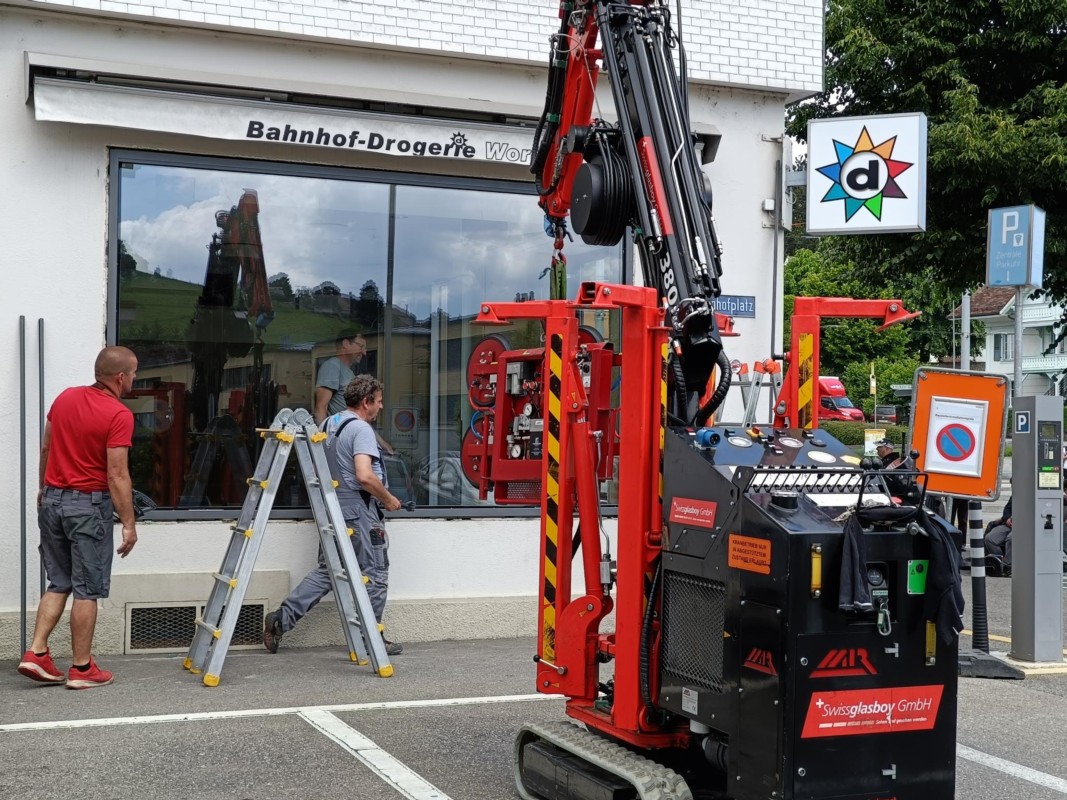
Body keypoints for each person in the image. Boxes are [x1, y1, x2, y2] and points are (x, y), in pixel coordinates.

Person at [18, 346, 139, 689]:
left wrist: (44, 488)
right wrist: (129, 523)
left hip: (52, 501)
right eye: (133, 374)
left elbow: (46, 447)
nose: (134, 379)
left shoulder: (65, 398)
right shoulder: (118, 414)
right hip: (87, 508)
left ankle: (36, 652)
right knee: (87, 590)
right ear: (120, 377)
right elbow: (117, 474)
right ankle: (82, 669)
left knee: (59, 582)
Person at [265, 374, 404, 656]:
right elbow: (364, 475)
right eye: (378, 402)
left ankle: (282, 618)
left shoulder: (329, 423)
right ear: (365, 402)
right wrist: (388, 499)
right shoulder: (361, 429)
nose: (380, 407)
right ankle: (371, 639)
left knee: (329, 571)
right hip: (359, 509)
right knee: (375, 574)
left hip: (333, 506)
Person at [312, 329, 367, 425]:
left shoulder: (349, 372)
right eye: (361, 346)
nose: (364, 352)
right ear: (346, 344)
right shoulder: (332, 366)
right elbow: (320, 407)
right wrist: (323, 434)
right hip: (337, 432)